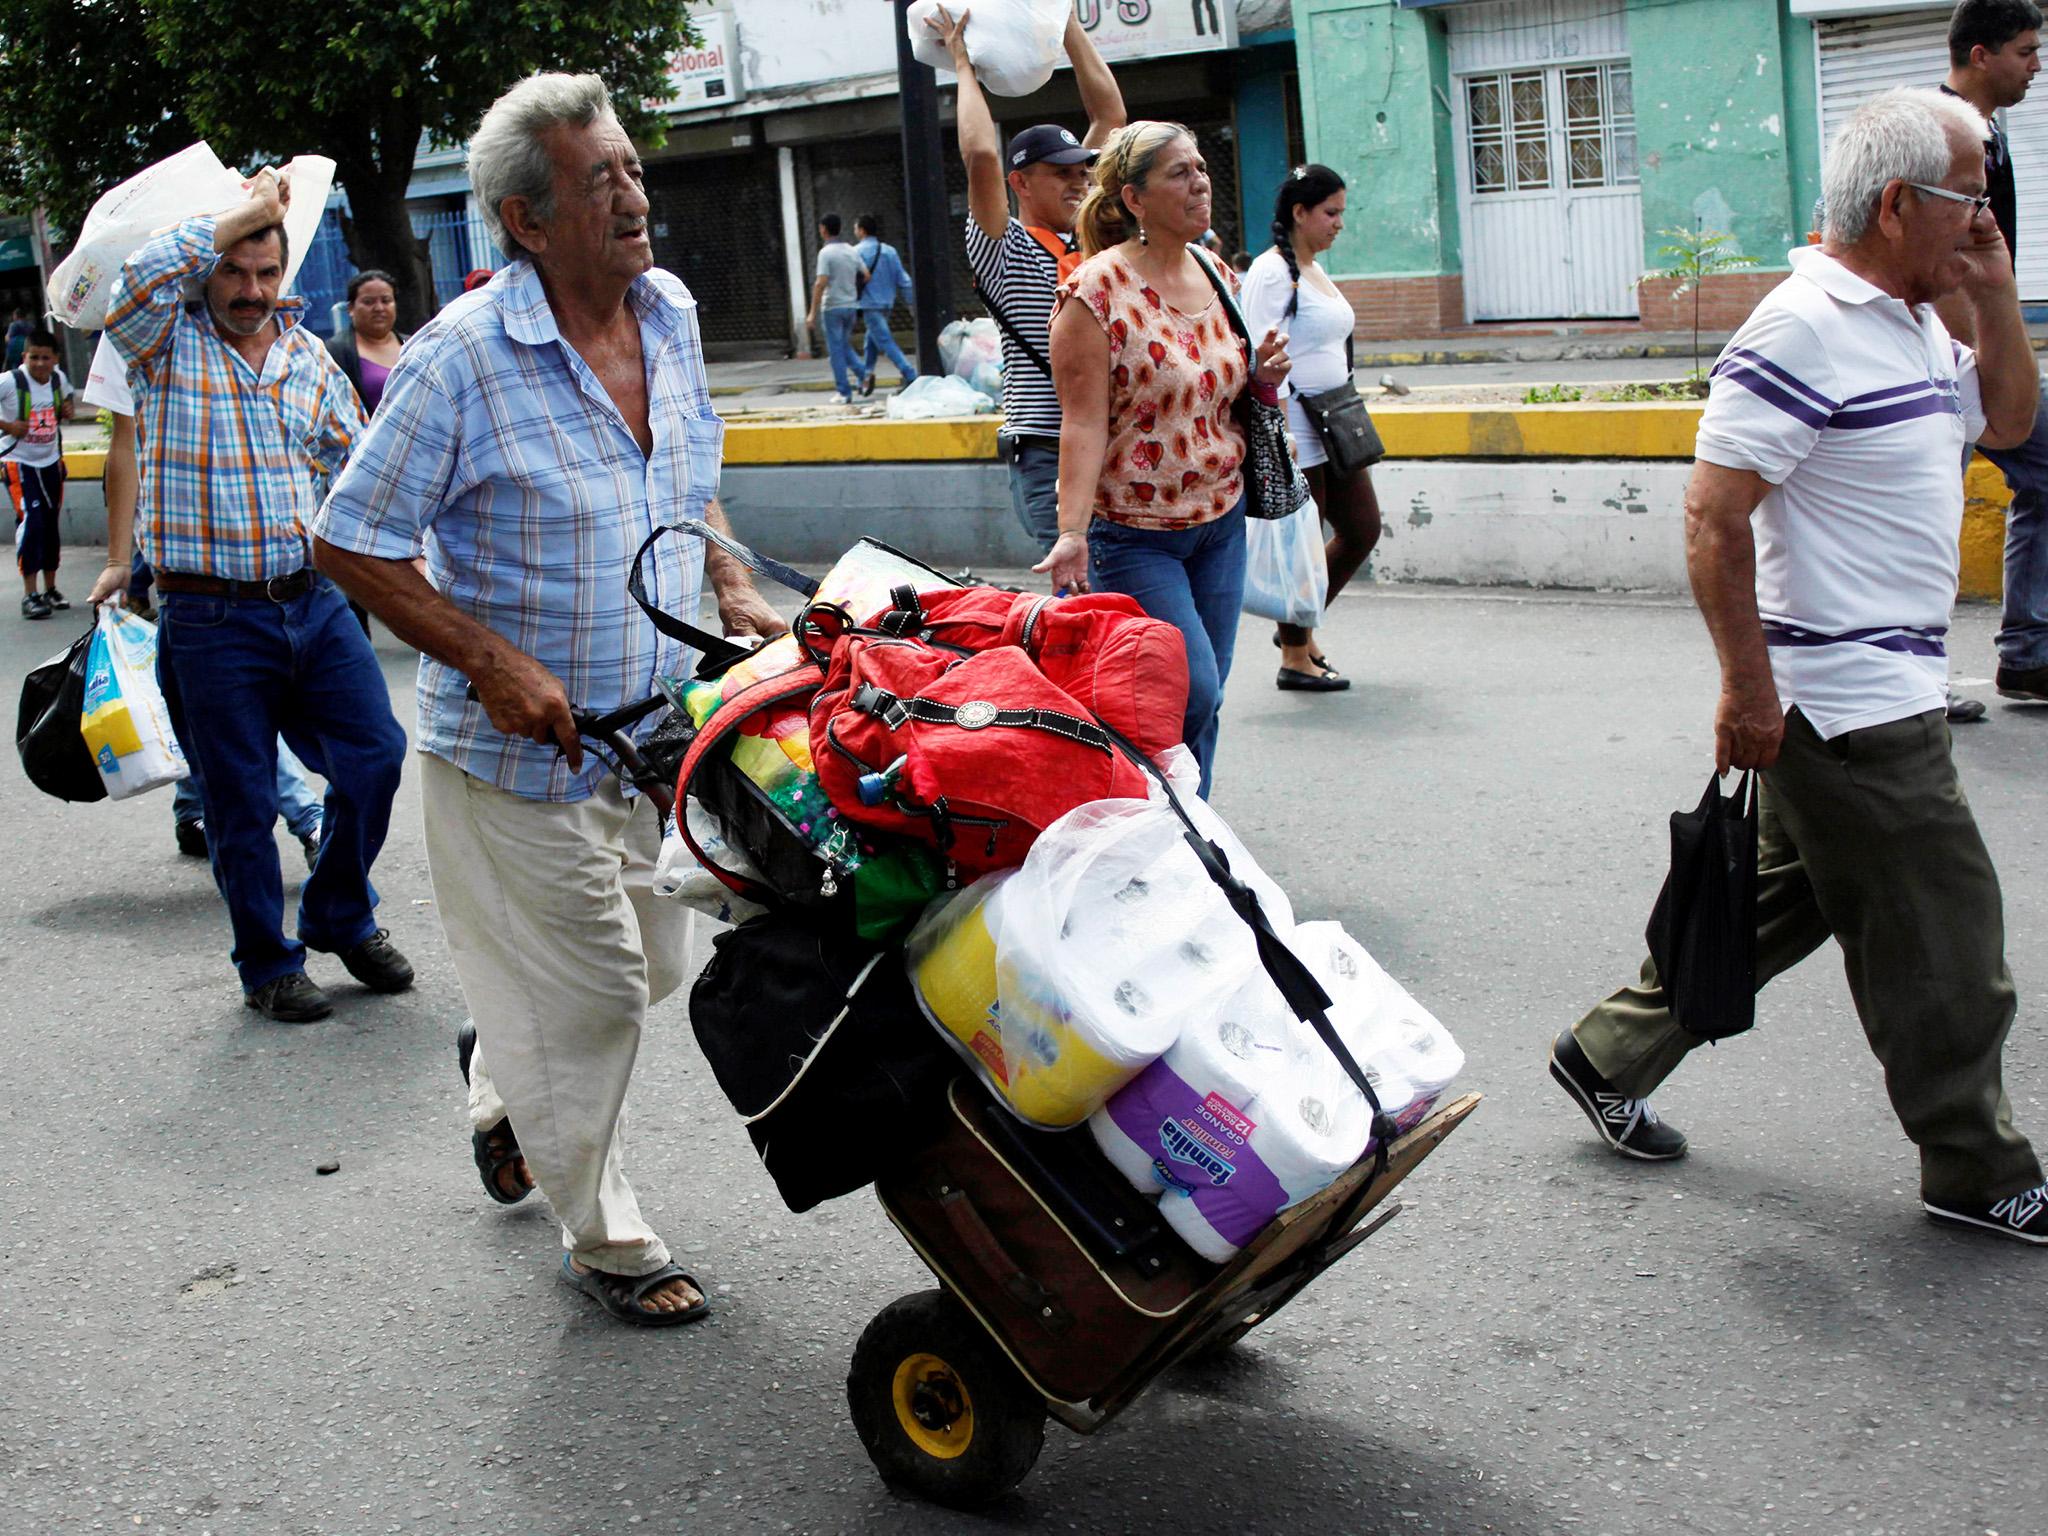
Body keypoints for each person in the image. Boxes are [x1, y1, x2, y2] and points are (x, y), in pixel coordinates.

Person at [313, 73, 787, 1327]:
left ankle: (496, 1078)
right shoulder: (459, 360)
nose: (633, 195)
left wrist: (727, 574)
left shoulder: (670, 316)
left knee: (654, 965)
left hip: (657, 738)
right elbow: (351, 540)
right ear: (527, 222)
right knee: (586, 1005)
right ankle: (607, 1237)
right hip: (515, 757)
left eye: (631, 168)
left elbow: (687, 487)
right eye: (599, 180)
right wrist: (490, 660)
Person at [1549, 88, 2048, 1245]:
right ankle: (1974, 1170)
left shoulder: (1914, 315)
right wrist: (1747, 690)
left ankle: (1603, 1052)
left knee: (1780, 899)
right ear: (1893, 204)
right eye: (1967, 197)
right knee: (1946, 942)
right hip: (1844, 698)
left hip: (1881, 684)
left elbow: (2012, 425)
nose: (1981, 217)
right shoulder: (1798, 328)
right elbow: (1713, 518)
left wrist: (1988, 289)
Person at [97, 168, 413, 1025]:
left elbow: (361, 473)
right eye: (235, 272)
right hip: (209, 618)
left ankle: (340, 913)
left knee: (377, 758)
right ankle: (267, 966)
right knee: (238, 804)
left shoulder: (311, 358)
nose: (251, 290)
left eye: (266, 273)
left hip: (313, 604)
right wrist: (245, 212)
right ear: (209, 272)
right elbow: (133, 284)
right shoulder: (162, 342)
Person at [1037, 121, 1291, 797]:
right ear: (1135, 199)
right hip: (1136, 535)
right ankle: (1138, 815)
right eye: (1179, 173)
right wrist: (1070, 531)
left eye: (1201, 168)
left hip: (1220, 521)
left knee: (1206, 698)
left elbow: (1232, 388)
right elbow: (1082, 423)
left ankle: (1190, 837)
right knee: (1192, 691)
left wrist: (1262, 374)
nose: (1200, 182)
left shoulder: (1215, 271)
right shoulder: (1095, 293)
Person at [81, 331, 328, 862]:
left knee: (215, 709)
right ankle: (307, 819)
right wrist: (118, 561)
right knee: (232, 709)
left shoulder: (258, 331)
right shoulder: (133, 333)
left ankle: (192, 808)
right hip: (183, 563)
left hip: (269, 554)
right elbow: (121, 447)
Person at [934, 2, 1126, 553]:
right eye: (1061, 174)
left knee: (1118, 601)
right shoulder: (1004, 247)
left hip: (1110, 441)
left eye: (1083, 172)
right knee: (1079, 600)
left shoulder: (1089, 236)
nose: (1079, 183)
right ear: (1020, 183)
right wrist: (963, 64)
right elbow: (979, 155)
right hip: (1045, 451)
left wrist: (1062, 21)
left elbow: (1111, 113)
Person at [1936, 0, 2048, 705]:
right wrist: (1979, 361)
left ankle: (2030, 650)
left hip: (1971, 357)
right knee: (1923, 512)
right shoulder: (1941, 134)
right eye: (2026, 51)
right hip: (1943, 362)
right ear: (1982, 55)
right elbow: (1933, 258)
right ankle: (1918, 677)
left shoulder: (1982, 132)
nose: (2036, 66)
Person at [1241, 165, 1386, 693]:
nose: (1339, 223)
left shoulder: (1313, 269)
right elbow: (1262, 351)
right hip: (1297, 429)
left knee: (1362, 528)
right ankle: (1296, 655)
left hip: (1334, 422)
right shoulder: (1273, 271)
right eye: (1331, 212)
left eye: (1342, 212)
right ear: (1299, 213)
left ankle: (1296, 630)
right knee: (1302, 544)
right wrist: (1280, 437)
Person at [4, 328, 75, 619]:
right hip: (18, 462)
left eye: (46, 358)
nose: (40, 364)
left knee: (49, 524)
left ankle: (50, 589)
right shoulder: (10, 382)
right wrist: (8, 427)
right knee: (31, 522)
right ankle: (29, 594)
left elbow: (67, 402)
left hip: (51, 463)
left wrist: (67, 408)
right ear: (24, 357)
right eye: (34, 358)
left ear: (55, 359)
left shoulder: (59, 380)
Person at [324, 270, 409, 417]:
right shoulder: (335, 352)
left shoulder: (413, 345)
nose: (379, 308)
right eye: (368, 302)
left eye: (386, 300)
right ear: (351, 308)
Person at [852, 213, 917, 397]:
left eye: (856, 228)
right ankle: (866, 374)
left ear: (862, 231)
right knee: (871, 340)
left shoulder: (856, 253)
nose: (855, 231)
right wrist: (910, 302)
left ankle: (910, 374)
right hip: (887, 303)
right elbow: (903, 280)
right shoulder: (889, 251)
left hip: (868, 304)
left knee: (885, 341)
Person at [805, 213, 867, 405]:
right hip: (850, 305)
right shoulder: (850, 250)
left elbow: (820, 283)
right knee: (843, 345)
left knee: (836, 352)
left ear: (823, 229)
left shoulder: (825, 253)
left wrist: (812, 312)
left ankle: (844, 391)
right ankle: (864, 375)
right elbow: (866, 274)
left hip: (832, 307)